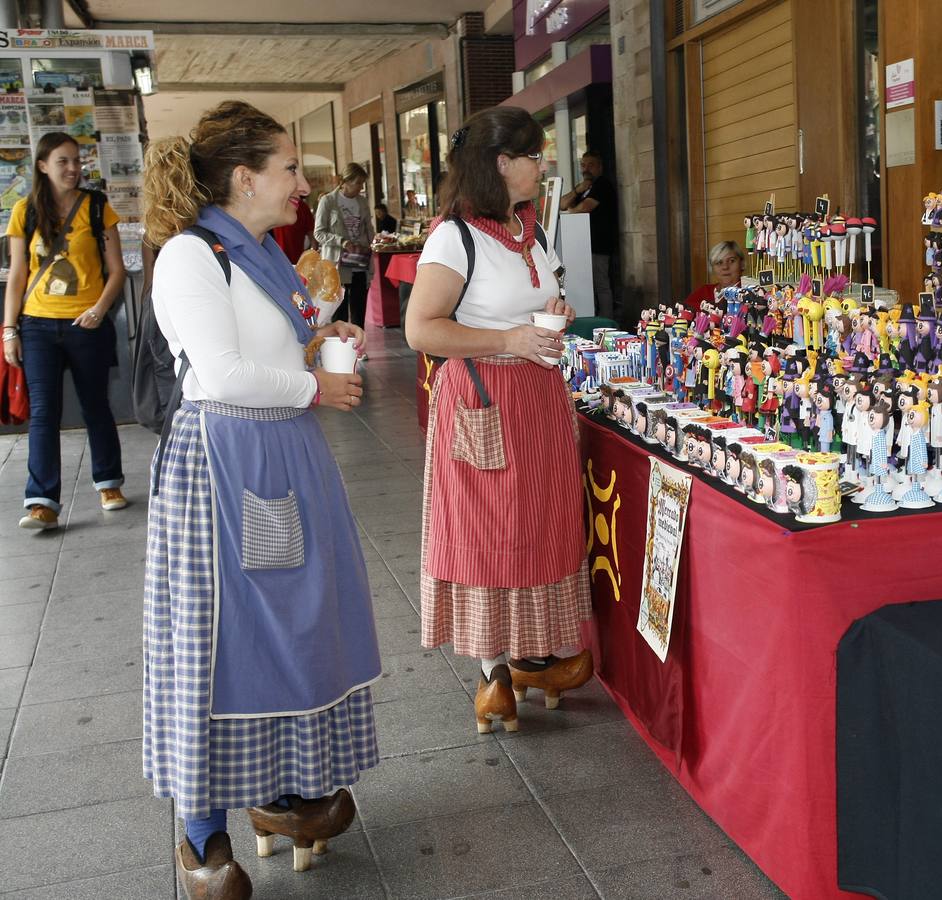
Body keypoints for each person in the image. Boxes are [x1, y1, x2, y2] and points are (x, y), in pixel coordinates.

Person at [141, 101, 380, 899]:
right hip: (225, 463)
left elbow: (289, 337)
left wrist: (325, 333)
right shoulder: (188, 255)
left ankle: (280, 792)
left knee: (293, 628)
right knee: (220, 646)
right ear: (244, 178)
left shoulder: (266, 255)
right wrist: (320, 382)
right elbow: (221, 375)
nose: (301, 182)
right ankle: (201, 831)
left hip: (282, 454)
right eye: (288, 167)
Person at [406, 105, 592, 735]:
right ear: (500, 163)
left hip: (536, 400)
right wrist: (508, 341)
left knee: (535, 521)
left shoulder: (527, 229)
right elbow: (420, 329)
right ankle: (493, 676)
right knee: (494, 528)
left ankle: (532, 655)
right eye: (534, 155)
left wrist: (552, 311)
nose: (544, 164)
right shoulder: (454, 237)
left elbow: (534, 301)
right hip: (484, 400)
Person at [2, 131, 127, 530]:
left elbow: (117, 270)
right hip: (37, 325)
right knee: (43, 414)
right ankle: (42, 503)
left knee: (96, 407)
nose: (73, 168)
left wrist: (99, 309)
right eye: (63, 161)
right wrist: (9, 329)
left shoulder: (96, 207)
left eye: (76, 160)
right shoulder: (26, 211)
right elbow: (19, 275)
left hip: (86, 324)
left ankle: (108, 483)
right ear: (42, 166)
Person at [559, 150, 619, 319]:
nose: (586, 169)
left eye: (591, 165)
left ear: (599, 167)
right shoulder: (585, 188)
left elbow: (584, 208)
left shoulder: (602, 185)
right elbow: (562, 204)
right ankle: (593, 317)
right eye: (583, 165)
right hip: (583, 244)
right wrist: (578, 190)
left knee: (601, 284)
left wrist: (572, 210)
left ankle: (607, 320)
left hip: (599, 244)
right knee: (587, 285)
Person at [315, 162, 374, 329]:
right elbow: (319, 233)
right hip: (337, 264)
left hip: (360, 263)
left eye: (362, 184)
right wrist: (342, 242)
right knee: (338, 308)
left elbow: (368, 229)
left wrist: (371, 244)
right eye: (357, 183)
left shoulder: (362, 202)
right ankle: (339, 347)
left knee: (359, 307)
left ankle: (358, 348)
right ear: (345, 182)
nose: (360, 188)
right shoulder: (328, 201)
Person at [684, 240, 757, 308]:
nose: (725, 267)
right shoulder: (704, 292)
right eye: (719, 262)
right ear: (712, 268)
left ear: (742, 264)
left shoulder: (750, 292)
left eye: (731, 261)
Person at [270, 193, 314, 263]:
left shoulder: (303, 207)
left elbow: (311, 233)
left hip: (297, 259)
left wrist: (313, 254)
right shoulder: (274, 206)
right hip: (276, 257)